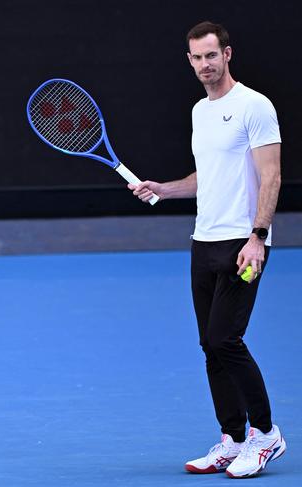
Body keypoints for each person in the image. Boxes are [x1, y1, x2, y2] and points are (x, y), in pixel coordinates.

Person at [130, 21, 285, 478]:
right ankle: (232, 439)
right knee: (210, 346)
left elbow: (270, 175)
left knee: (226, 339)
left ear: (227, 54)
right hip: (204, 241)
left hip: (243, 243)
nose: (204, 65)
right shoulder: (200, 111)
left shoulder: (255, 107)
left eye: (211, 56)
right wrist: (165, 188)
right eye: (196, 58)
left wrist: (258, 236)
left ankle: (265, 435)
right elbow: (207, 178)